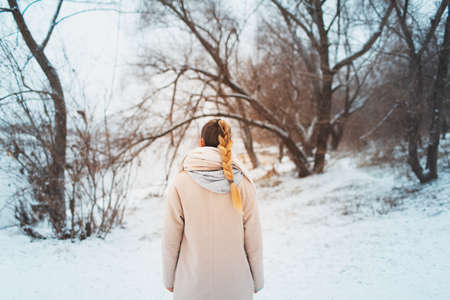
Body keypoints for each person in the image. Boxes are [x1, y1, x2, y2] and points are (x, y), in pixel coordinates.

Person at [161, 119, 264, 300]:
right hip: (235, 287)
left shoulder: (181, 182)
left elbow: (171, 238)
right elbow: (253, 237)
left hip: (192, 287)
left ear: (201, 143)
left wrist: (169, 280)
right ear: (228, 142)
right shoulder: (244, 183)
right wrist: (257, 280)